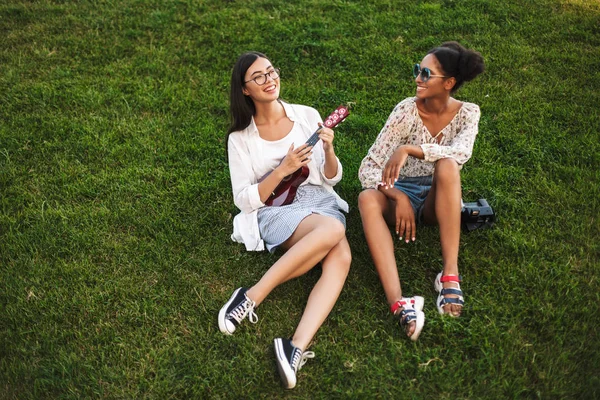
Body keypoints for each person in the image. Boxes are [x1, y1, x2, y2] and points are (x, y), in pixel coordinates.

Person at [218, 51, 351, 389]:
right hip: (274, 209)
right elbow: (244, 199)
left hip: (318, 199)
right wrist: (283, 170)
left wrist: (331, 151)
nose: (269, 79)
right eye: (258, 77)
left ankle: (295, 346)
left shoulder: (307, 116)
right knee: (335, 231)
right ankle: (250, 297)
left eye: (271, 71)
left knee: (342, 257)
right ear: (245, 90)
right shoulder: (240, 140)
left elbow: (330, 178)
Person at [358, 42, 485, 341]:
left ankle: (449, 274)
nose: (418, 78)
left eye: (426, 73)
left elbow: (460, 152)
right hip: (398, 189)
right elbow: (368, 167)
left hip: (438, 197)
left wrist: (409, 149)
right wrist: (396, 195)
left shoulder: (468, 113)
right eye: (418, 70)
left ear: (449, 83)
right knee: (366, 198)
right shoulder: (405, 110)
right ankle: (399, 301)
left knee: (448, 166)